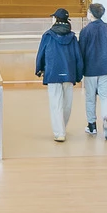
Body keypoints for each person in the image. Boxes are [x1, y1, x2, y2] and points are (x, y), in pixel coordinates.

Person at [76, 1, 107, 140]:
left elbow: (81, 51)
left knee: (90, 98)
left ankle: (91, 126)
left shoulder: (85, 31)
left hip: (90, 70)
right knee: (106, 97)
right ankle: (106, 121)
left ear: (91, 14)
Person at [35, 8, 83, 142]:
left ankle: (59, 132)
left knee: (56, 104)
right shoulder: (72, 37)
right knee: (67, 104)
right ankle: (62, 128)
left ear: (56, 19)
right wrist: (78, 75)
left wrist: (39, 69)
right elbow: (78, 57)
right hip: (69, 74)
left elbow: (41, 54)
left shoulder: (48, 35)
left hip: (52, 73)